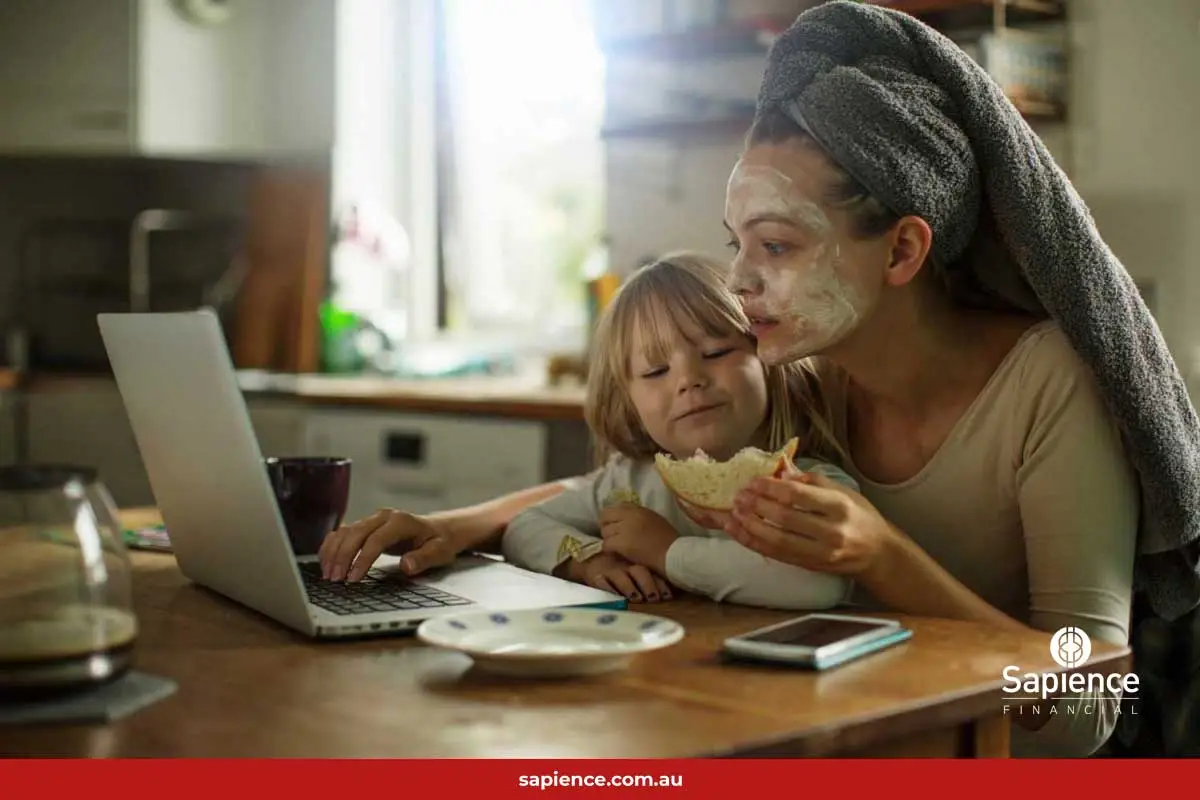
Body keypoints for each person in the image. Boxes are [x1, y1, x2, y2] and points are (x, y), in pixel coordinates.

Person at [320, 1, 1200, 758]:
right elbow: (608, 487)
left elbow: (1091, 705)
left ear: (902, 249)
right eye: (737, 242)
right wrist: (454, 526)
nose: (739, 281)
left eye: (776, 246)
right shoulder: (805, 381)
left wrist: (887, 559)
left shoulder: (1047, 384)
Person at [499, 252, 855, 610]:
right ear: (628, 402)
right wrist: (590, 560)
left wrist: (666, 552)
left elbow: (817, 584)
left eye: (716, 352)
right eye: (656, 371)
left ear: (768, 360)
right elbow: (525, 527)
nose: (689, 380)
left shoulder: (807, 483)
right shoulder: (629, 484)